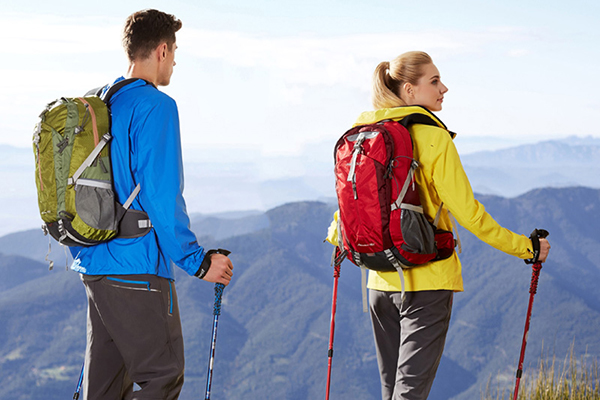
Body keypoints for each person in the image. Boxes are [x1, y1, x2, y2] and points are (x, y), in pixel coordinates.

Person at [326, 51, 550, 400]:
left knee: (392, 391)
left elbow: (349, 205)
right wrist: (527, 248)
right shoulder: (433, 137)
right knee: (410, 394)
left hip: (378, 282)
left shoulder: (364, 135)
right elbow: (470, 214)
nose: (444, 88)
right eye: (434, 81)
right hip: (426, 280)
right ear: (409, 90)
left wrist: (337, 240)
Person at [69, 9, 234, 400]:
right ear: (162, 50)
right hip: (137, 267)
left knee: (105, 388)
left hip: (94, 263)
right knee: (163, 378)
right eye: (174, 52)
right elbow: (161, 195)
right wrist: (197, 262)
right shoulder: (156, 107)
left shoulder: (98, 101)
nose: (174, 62)